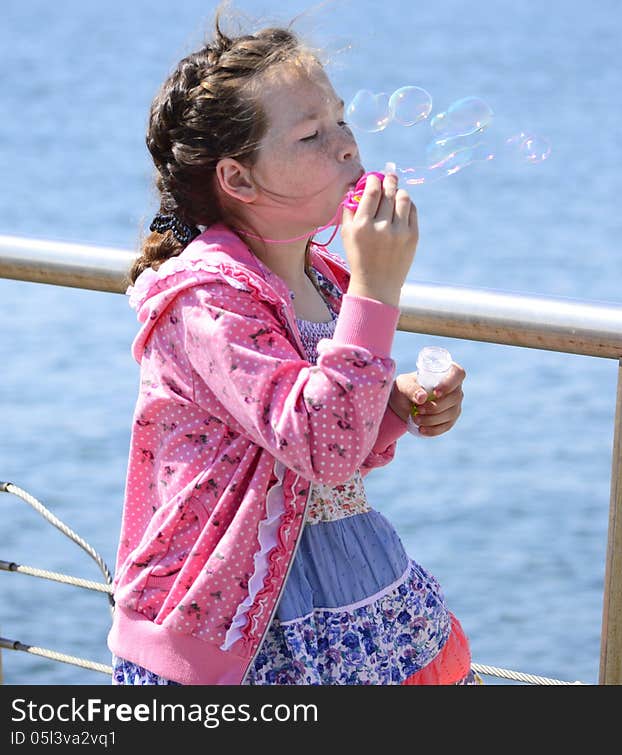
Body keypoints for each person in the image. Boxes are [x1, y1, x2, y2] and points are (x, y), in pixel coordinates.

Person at [106, 15, 476, 685]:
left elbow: (335, 449)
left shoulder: (322, 281)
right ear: (238, 180)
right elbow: (319, 441)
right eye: (310, 133)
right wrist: (378, 288)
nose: (344, 144)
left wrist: (394, 405)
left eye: (340, 119)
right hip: (237, 628)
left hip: (349, 588)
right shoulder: (209, 301)